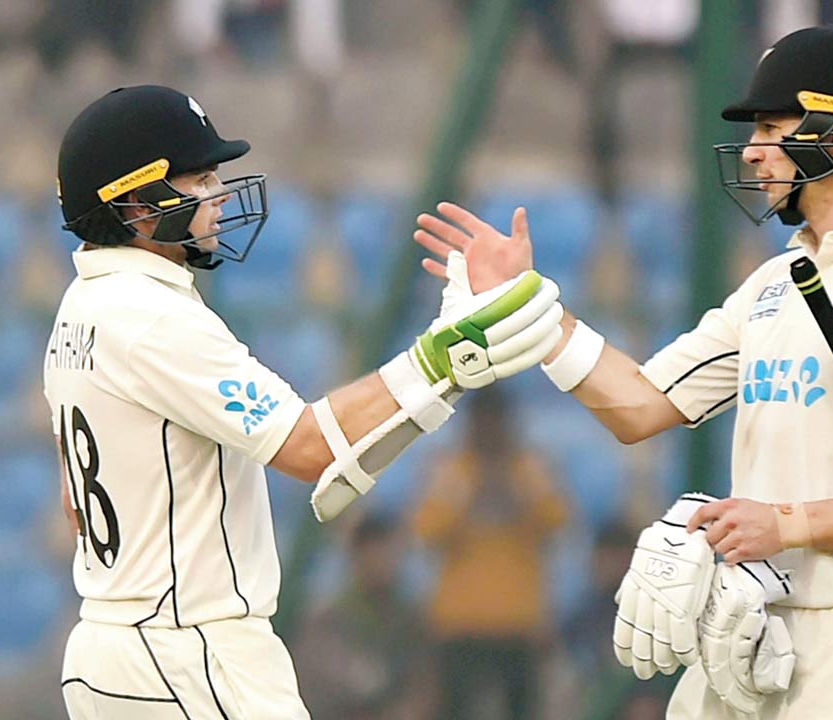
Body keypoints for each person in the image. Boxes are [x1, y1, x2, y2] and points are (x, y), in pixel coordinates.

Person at [413, 26, 833, 720]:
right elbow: (640, 406)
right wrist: (528, 307)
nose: (752, 150)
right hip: (754, 625)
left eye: (774, 127)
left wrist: (786, 523)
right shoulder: (776, 282)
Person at [47, 84, 563, 719]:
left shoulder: (80, 310)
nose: (217, 197)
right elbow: (308, 446)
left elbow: (77, 506)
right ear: (135, 204)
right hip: (187, 652)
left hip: (110, 645)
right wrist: (443, 357)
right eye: (199, 180)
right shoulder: (151, 316)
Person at [413, 387, 568, 720]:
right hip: (460, 623)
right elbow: (427, 530)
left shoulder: (530, 468)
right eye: (482, 423)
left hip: (518, 622)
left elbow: (557, 523)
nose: (489, 431)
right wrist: (466, 493)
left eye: (495, 422)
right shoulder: (452, 470)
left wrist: (518, 490)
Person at [291, 512, 434, 720]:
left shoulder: (410, 618)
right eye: (373, 552)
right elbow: (308, 684)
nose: (382, 561)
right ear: (356, 554)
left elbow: (424, 682)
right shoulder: (328, 618)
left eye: (390, 552)